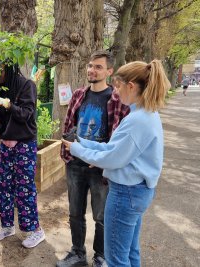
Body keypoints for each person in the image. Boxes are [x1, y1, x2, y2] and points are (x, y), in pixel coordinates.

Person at [62, 60, 170, 267]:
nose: (116, 91)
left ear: (131, 86)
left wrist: (77, 149)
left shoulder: (138, 120)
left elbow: (113, 159)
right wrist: (82, 143)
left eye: (119, 86)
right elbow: (114, 149)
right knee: (129, 252)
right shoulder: (145, 114)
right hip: (136, 192)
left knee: (117, 259)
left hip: (126, 194)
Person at [57, 51, 129, 267]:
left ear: (109, 71)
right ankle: (77, 253)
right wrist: (69, 148)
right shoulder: (79, 95)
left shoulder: (117, 99)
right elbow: (69, 125)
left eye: (98, 67)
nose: (92, 70)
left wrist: (101, 158)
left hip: (101, 167)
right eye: (90, 66)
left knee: (101, 216)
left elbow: (120, 135)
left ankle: (100, 256)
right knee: (75, 212)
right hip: (76, 164)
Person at [0, 63, 45, 249]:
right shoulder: (2, 88)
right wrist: (1, 133)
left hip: (24, 146)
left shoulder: (27, 85)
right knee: (4, 185)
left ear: (10, 70)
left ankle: (35, 231)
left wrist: (7, 103)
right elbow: (2, 120)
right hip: (7, 146)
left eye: (0, 70)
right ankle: (7, 226)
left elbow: (25, 115)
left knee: (24, 188)